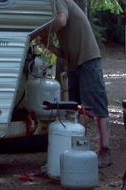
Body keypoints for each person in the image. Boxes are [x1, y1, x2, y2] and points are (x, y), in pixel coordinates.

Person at [46, 0, 112, 167]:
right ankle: (78, 148)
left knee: (97, 107)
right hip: (74, 64)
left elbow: (61, 21)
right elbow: (63, 52)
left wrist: (44, 31)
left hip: (88, 60)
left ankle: (105, 150)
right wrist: (48, 45)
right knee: (74, 108)